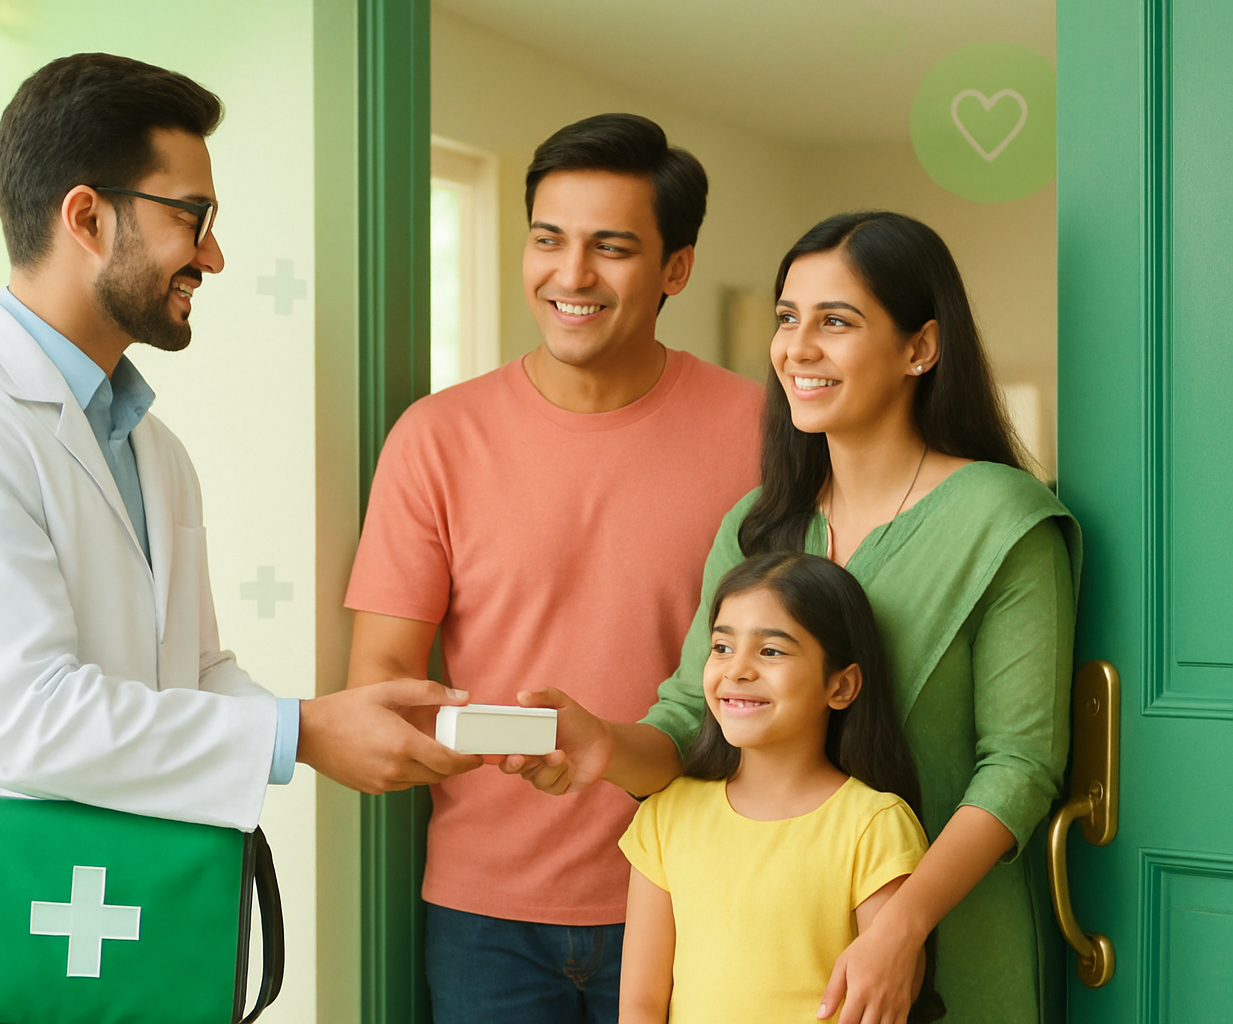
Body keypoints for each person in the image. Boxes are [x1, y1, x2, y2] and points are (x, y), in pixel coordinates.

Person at [0, 53, 480, 1024]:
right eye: (194, 218)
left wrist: (328, 722)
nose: (213, 257)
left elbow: (191, 664)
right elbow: (27, 719)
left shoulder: (153, 448)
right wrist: (299, 732)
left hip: (122, 941)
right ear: (88, 218)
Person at [505, 211, 1079, 1024]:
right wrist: (601, 744)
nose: (797, 349)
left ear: (921, 347)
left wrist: (900, 928)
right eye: (786, 319)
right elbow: (688, 716)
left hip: (948, 937)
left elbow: (1018, 767)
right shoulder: (758, 524)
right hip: (755, 959)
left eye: (835, 322)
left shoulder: (1003, 519)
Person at [343, 112, 763, 1024]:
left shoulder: (762, 432)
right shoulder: (435, 438)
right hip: (483, 914)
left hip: (701, 886)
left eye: (611, 248)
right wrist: (499, 735)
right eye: (548, 240)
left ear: (675, 269)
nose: (571, 276)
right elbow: (378, 680)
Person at [619, 551, 942, 1024]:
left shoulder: (875, 824)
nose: (737, 670)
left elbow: (887, 999)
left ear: (842, 686)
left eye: (770, 651)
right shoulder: (663, 817)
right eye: (722, 647)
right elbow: (641, 1005)